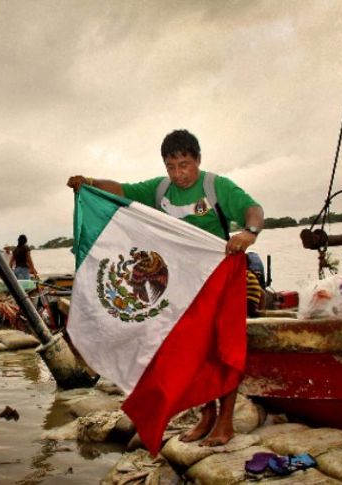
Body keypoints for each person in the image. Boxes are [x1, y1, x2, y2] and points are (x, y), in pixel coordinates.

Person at [66, 129, 264, 447]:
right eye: (171, 167)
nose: (178, 174)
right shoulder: (161, 190)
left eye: (184, 165)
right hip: (182, 286)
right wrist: (89, 182)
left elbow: (253, 210)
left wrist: (249, 233)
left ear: (197, 160)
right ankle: (206, 415)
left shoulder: (216, 186)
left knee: (224, 349)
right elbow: (120, 190)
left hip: (219, 278)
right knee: (193, 351)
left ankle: (225, 423)